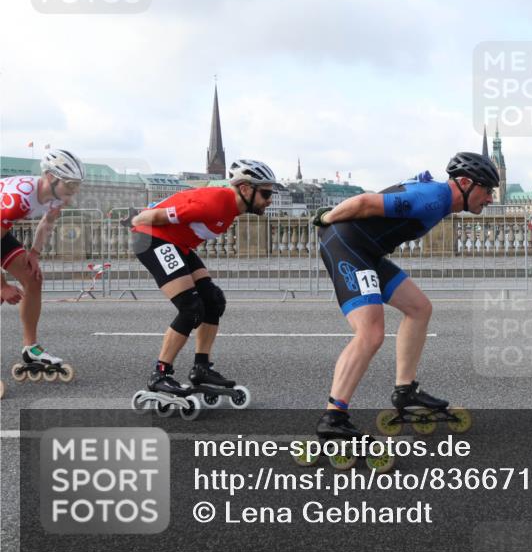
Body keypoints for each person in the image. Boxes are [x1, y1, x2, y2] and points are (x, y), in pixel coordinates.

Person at [311, 151, 497, 441]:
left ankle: (405, 390)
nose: (490, 199)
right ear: (464, 182)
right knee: (370, 333)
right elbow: (363, 201)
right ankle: (333, 417)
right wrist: (327, 216)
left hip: (367, 251)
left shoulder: (441, 200)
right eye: (486, 190)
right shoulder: (432, 198)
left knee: (419, 308)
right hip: (347, 246)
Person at [125, 159, 275, 415]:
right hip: (151, 239)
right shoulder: (215, 203)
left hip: (177, 244)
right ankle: (160, 374)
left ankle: (201, 368)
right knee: (190, 307)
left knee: (213, 301)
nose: (270, 200)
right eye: (266, 193)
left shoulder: (231, 209)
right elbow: (155, 216)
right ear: (246, 189)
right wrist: (136, 218)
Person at [1, 149, 85, 382]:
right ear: (49, 177)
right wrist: (3, 285)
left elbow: (47, 221)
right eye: (69, 184)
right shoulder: (18, 199)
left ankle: (31, 349)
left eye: (76, 185)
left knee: (33, 279)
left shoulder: (56, 197)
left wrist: (35, 253)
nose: (73, 192)